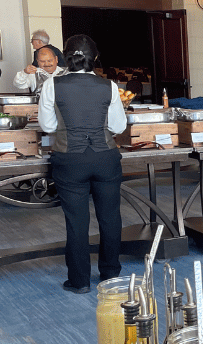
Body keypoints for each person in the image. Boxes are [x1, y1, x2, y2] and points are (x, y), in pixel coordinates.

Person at [38, 34, 127, 294]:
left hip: (70, 159)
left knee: (77, 221)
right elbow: (118, 126)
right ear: (95, 58)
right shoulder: (108, 86)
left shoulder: (52, 85)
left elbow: (48, 126)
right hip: (105, 158)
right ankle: (110, 276)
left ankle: (79, 281)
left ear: (65, 57)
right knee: (110, 218)